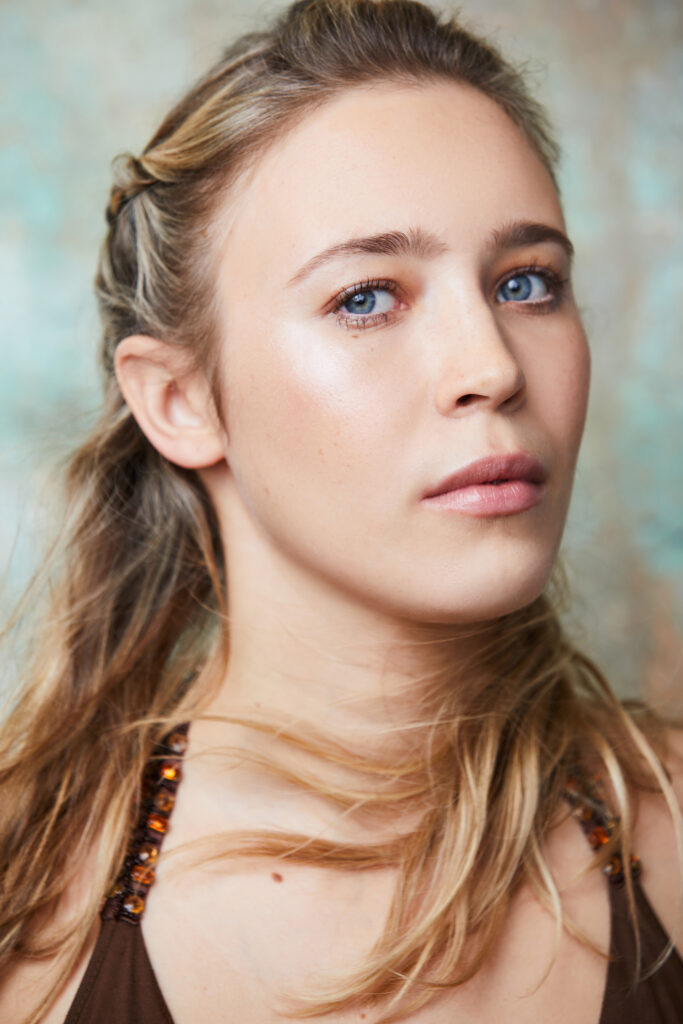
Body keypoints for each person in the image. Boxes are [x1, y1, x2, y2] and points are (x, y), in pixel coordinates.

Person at [1, 0, 681, 1021]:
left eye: (526, 283)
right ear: (179, 400)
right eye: (365, 297)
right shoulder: (26, 897)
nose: (492, 367)